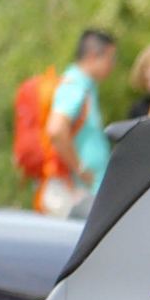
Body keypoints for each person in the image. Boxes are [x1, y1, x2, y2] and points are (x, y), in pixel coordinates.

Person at [42, 29, 117, 218]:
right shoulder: (74, 87)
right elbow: (56, 129)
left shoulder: (86, 88)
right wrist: (80, 169)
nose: (112, 66)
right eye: (110, 58)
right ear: (92, 56)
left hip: (84, 195)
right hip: (76, 195)